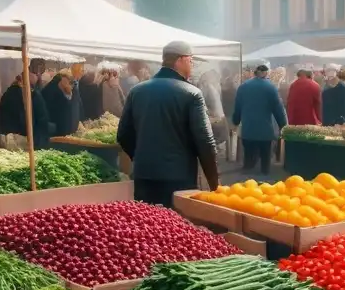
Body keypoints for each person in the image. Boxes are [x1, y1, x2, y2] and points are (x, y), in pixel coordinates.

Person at [117, 41, 219, 207]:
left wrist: (141, 157)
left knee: (145, 227)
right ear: (180, 60)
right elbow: (205, 142)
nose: (192, 65)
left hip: (144, 176)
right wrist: (214, 184)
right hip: (179, 180)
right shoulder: (192, 94)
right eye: (191, 60)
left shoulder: (137, 91)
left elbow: (123, 135)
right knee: (175, 230)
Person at [233, 64, 287, 176]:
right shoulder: (271, 88)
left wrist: (236, 121)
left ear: (255, 73)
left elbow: (237, 107)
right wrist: (283, 124)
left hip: (248, 130)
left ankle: (245, 183)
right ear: (267, 73)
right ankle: (263, 180)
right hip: (265, 132)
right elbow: (278, 109)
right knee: (265, 163)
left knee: (248, 160)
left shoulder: (243, 87)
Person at [0, 70, 51, 148]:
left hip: (28, 140)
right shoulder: (10, 96)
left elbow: (42, 121)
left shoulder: (35, 97)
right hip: (16, 141)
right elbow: (5, 117)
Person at [42, 70, 77, 137]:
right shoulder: (53, 90)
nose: (69, 84)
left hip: (57, 125)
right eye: (68, 82)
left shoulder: (55, 88)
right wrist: (68, 95)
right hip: (55, 126)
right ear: (62, 80)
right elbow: (64, 107)